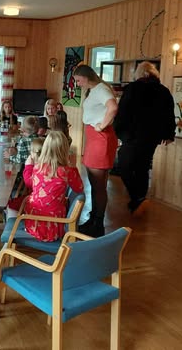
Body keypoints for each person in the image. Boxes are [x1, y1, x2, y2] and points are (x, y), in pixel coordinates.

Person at [113, 61, 175, 216]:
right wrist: (169, 135)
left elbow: (122, 113)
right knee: (143, 167)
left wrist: (119, 132)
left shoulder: (132, 88)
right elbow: (169, 115)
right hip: (152, 137)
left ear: (139, 73)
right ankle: (139, 199)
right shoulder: (163, 91)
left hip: (132, 136)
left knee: (124, 165)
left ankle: (137, 198)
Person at [73, 64, 118, 237]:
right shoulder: (94, 90)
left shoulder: (101, 89)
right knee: (95, 183)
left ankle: (98, 225)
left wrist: (101, 126)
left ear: (86, 77)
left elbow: (113, 107)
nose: (78, 84)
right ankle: (93, 219)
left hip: (100, 139)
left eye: (78, 80)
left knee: (99, 185)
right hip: (94, 139)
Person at [21, 131, 84, 241]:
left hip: (34, 222)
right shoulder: (67, 171)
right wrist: (74, 167)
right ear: (65, 150)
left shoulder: (38, 167)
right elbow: (79, 188)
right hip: (54, 226)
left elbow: (30, 184)